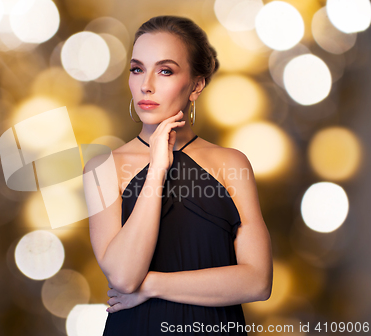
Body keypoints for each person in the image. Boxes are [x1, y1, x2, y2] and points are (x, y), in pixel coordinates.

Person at [83, 15, 273, 335]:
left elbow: (258, 282)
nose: (146, 84)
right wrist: (157, 167)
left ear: (196, 85)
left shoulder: (232, 164)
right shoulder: (103, 169)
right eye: (137, 69)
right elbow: (124, 277)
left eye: (165, 70)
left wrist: (152, 286)